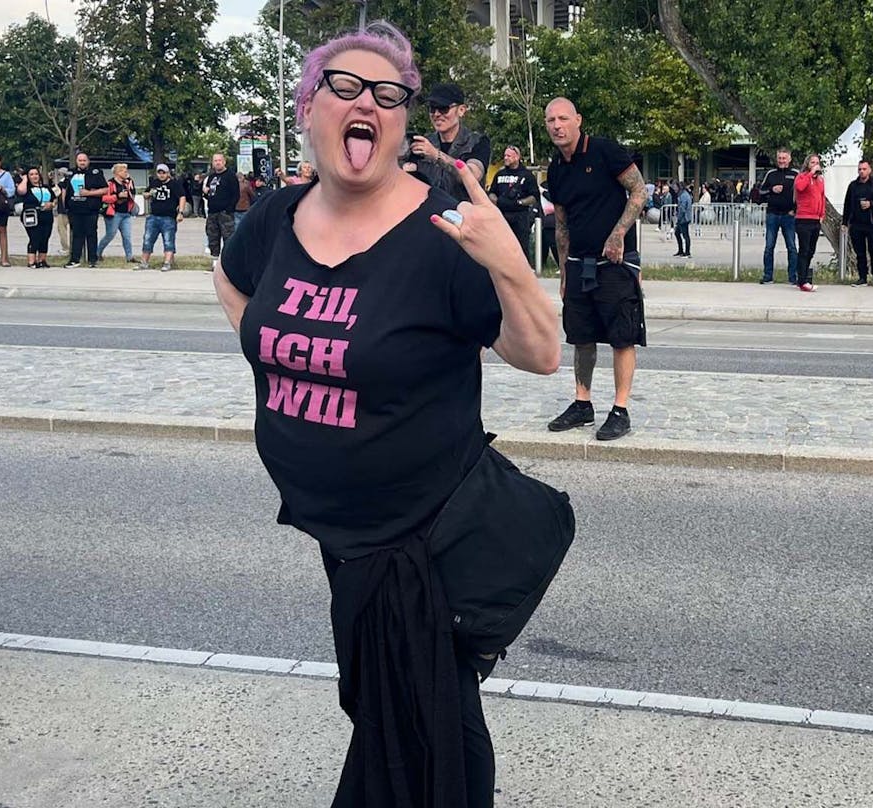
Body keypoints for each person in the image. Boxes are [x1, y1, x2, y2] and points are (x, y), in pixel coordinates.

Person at [211, 23, 561, 808]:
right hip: (336, 530)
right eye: (343, 86)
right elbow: (230, 286)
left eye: (387, 94)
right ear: (307, 110)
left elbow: (540, 354)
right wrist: (279, 359)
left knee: (429, 718)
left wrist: (509, 264)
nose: (365, 102)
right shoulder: (276, 217)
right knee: (388, 707)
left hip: (421, 536)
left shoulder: (440, 231)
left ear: (402, 124)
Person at [542, 96, 648, 442]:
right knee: (581, 337)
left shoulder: (605, 152)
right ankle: (582, 403)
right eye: (550, 120)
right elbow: (561, 224)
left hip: (614, 263)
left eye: (563, 118)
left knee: (622, 337)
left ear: (578, 120)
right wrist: (563, 273)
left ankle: (620, 410)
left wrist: (619, 234)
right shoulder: (556, 168)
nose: (557, 125)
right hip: (578, 265)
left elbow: (639, 190)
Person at [410, 83, 491, 201]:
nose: (437, 114)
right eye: (432, 108)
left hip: (465, 216)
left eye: (444, 108)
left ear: (461, 110)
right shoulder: (423, 143)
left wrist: (436, 155)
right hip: (430, 216)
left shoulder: (478, 142)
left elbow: (473, 175)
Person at [486, 145, 540, 260]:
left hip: (520, 216)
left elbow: (534, 197)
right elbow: (491, 192)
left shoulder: (527, 175)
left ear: (517, 157)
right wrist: (497, 200)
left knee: (521, 247)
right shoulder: (500, 174)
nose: (505, 158)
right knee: (500, 248)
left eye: (509, 156)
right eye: (505, 155)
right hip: (502, 215)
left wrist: (519, 202)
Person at [843, 159, 873, 287]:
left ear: (869, 170)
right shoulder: (853, 185)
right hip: (856, 224)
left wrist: (871, 203)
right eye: (860, 169)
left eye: (864, 169)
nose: (862, 171)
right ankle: (862, 277)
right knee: (860, 253)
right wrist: (845, 222)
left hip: (871, 223)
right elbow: (847, 204)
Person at [757, 148, 799, 285]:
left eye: (784, 158)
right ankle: (768, 276)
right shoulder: (770, 174)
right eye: (779, 158)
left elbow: (801, 195)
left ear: (789, 159)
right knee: (769, 246)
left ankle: (793, 277)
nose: (781, 161)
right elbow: (760, 192)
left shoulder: (795, 174)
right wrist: (771, 190)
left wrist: (795, 210)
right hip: (772, 215)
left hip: (789, 216)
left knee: (792, 247)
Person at [65, 153, 107, 267]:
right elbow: (64, 189)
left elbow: (105, 189)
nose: (82, 162)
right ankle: (75, 259)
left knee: (91, 234)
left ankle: (93, 260)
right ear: (76, 161)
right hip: (75, 209)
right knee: (77, 235)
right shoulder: (70, 173)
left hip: (90, 209)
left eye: (84, 160)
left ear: (88, 161)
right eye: (80, 160)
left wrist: (90, 193)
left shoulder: (96, 173)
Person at [142, 163, 186, 271]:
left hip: (169, 217)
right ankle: (144, 262)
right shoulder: (154, 183)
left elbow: (182, 197)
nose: (161, 175)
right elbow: (145, 194)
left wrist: (180, 212)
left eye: (164, 173)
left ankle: (167, 262)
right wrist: (147, 194)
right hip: (153, 216)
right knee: (148, 239)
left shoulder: (175, 184)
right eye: (159, 173)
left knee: (168, 240)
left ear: (168, 173)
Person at [792, 153, 825, 292]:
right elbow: (800, 187)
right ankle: (802, 280)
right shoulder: (802, 177)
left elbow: (822, 197)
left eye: (817, 162)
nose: (815, 165)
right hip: (804, 218)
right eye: (812, 162)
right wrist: (810, 174)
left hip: (815, 219)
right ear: (807, 164)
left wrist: (822, 213)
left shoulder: (821, 180)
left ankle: (803, 276)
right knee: (804, 250)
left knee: (811, 250)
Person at [96, 163, 141, 263]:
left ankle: (129, 257)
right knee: (110, 235)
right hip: (114, 213)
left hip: (126, 213)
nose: (126, 173)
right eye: (124, 171)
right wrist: (117, 196)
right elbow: (104, 198)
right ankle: (97, 253)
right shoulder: (110, 183)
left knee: (127, 236)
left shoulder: (127, 183)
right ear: (117, 172)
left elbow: (132, 194)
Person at [17, 167, 56, 268]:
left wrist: (51, 204)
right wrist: (24, 179)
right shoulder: (27, 188)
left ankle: (42, 260)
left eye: (36, 174)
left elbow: (55, 199)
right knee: (35, 237)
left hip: (46, 215)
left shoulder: (46, 188)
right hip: (32, 215)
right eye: (31, 174)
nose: (34, 176)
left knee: (45, 237)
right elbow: (21, 191)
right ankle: (31, 261)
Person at [203, 153, 239, 259]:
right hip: (212, 211)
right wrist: (205, 192)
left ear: (224, 162)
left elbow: (236, 194)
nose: (217, 162)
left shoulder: (230, 175)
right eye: (215, 161)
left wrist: (229, 209)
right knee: (212, 236)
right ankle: (215, 259)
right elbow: (208, 194)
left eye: (219, 160)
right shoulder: (211, 177)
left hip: (225, 212)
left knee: (228, 237)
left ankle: (229, 259)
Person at [673, 182, 693, 257]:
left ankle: (687, 252)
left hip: (684, 219)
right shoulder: (682, 195)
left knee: (685, 235)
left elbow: (682, 209)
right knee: (677, 233)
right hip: (683, 218)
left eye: (676, 187)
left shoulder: (684, 195)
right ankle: (681, 250)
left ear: (680, 188)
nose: (674, 189)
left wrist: (679, 218)